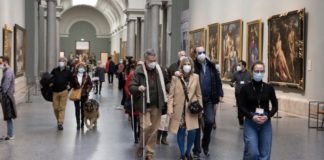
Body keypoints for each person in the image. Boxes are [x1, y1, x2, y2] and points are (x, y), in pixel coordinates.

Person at [129, 49, 169, 160]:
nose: (153, 62)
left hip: (157, 104)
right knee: (146, 127)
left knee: (154, 130)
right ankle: (141, 146)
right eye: (151, 60)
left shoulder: (160, 70)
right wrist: (138, 88)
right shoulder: (139, 71)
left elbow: (167, 82)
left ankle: (150, 153)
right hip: (144, 104)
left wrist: (170, 88)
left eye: (154, 60)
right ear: (145, 60)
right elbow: (131, 86)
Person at [239, 61, 278, 160]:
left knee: (265, 153)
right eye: (257, 71)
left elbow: (275, 106)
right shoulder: (245, 88)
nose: (259, 73)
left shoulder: (269, 88)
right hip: (251, 120)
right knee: (252, 152)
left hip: (265, 121)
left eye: (262, 71)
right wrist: (252, 116)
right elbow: (241, 106)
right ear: (252, 72)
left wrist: (268, 116)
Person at [167, 57, 202, 160]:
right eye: (185, 64)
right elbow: (171, 96)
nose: (187, 66)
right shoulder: (175, 78)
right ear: (181, 66)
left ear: (192, 66)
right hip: (179, 109)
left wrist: (201, 108)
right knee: (181, 131)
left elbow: (199, 94)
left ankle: (188, 151)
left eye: (189, 64)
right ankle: (182, 153)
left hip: (191, 109)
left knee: (193, 131)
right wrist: (170, 109)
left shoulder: (196, 77)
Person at [192, 46, 223, 158]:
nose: (202, 54)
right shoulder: (192, 66)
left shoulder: (211, 66)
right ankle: (196, 150)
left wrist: (220, 93)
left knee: (210, 122)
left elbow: (218, 80)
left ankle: (205, 144)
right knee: (196, 126)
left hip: (209, 99)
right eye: (199, 52)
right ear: (195, 54)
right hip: (196, 100)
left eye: (204, 52)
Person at [157, 50, 187, 146]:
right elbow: (167, 80)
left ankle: (165, 137)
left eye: (184, 55)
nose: (182, 56)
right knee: (165, 117)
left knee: (171, 118)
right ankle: (159, 136)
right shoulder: (173, 67)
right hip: (171, 94)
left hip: (183, 96)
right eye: (181, 55)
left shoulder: (188, 67)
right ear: (178, 56)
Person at [50, 57, 73, 130]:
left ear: (66, 63)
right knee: (56, 108)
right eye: (60, 61)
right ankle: (58, 119)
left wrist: (69, 88)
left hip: (64, 91)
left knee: (62, 108)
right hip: (55, 91)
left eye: (63, 61)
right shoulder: (55, 70)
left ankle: (60, 123)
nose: (61, 62)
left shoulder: (68, 71)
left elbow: (71, 81)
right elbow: (50, 78)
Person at [70, 63, 93, 130]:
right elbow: (71, 85)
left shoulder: (87, 76)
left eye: (82, 67)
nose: (81, 68)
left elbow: (90, 84)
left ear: (84, 68)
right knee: (77, 109)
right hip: (76, 94)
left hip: (84, 95)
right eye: (80, 67)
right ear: (77, 68)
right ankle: (78, 123)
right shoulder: (74, 76)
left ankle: (82, 122)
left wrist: (87, 91)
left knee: (83, 109)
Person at [230, 60, 251, 128]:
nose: (238, 66)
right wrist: (232, 84)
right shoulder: (235, 73)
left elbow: (252, 82)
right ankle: (241, 122)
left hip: (247, 93)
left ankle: (247, 120)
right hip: (238, 93)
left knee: (247, 107)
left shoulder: (249, 74)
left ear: (244, 66)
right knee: (240, 107)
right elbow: (231, 82)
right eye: (238, 65)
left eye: (239, 65)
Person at [0, 56, 17, 140]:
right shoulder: (6, 71)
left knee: (8, 115)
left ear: (5, 62)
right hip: (7, 95)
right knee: (8, 115)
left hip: (7, 96)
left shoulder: (8, 72)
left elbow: (5, 86)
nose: (0, 64)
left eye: (1, 62)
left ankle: (10, 134)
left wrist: (2, 93)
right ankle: (9, 134)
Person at [124, 59, 140, 144]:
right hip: (132, 100)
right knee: (133, 119)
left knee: (141, 120)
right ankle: (135, 134)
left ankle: (139, 133)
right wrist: (130, 94)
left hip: (141, 100)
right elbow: (126, 86)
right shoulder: (131, 75)